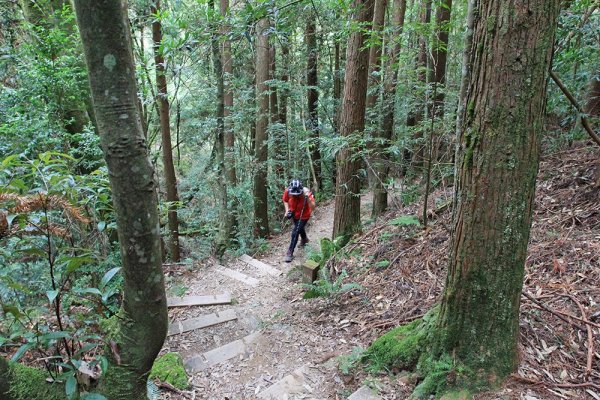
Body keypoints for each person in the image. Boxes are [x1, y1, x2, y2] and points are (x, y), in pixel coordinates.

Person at [282, 179, 315, 262]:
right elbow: (285, 200)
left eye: (297, 194)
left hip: (304, 216)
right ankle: (304, 239)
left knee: (295, 232)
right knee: (299, 228)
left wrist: (307, 199)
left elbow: (313, 207)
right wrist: (287, 210)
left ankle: (290, 252)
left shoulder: (306, 193)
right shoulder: (288, 191)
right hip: (294, 214)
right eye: (293, 195)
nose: (295, 196)